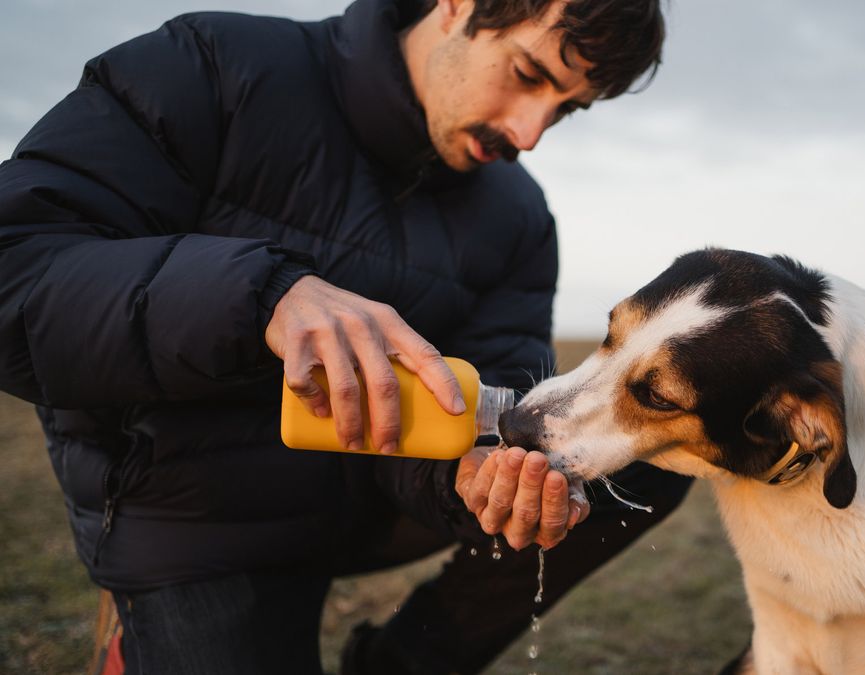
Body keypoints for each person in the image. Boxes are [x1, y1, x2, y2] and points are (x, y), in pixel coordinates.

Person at [0, 0, 693, 673]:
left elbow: (490, 386)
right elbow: (16, 270)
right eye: (529, 74)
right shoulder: (214, 67)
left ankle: (409, 660)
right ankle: (138, 642)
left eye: (566, 107)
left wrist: (483, 472)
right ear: (457, 6)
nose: (531, 132)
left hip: (372, 499)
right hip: (200, 517)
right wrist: (257, 297)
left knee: (639, 461)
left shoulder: (518, 215)